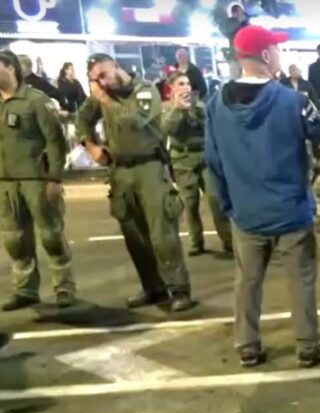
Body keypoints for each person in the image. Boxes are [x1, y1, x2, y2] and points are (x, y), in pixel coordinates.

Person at [204, 25, 320, 367]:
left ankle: (247, 345)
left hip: (245, 212)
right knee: (301, 279)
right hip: (291, 210)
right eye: (275, 49)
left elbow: (213, 162)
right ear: (264, 55)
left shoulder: (216, 104)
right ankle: (307, 344)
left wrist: (229, 205)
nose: (279, 54)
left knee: (247, 281)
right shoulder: (293, 100)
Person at [77, 53, 195, 312]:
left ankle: (179, 289)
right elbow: (82, 119)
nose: (101, 82)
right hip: (120, 170)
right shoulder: (101, 96)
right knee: (134, 235)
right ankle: (152, 287)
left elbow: (132, 120)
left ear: (116, 67)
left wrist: (105, 99)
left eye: (103, 75)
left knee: (162, 234)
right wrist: (91, 146)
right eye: (95, 79)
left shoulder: (144, 90)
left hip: (149, 167)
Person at [0, 51, 74, 311]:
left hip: (37, 180)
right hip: (6, 182)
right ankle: (25, 290)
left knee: (52, 236)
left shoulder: (36, 100)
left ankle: (64, 288)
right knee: (15, 239)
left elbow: (56, 141)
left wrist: (55, 177)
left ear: (10, 68)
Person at [161, 71, 232, 257]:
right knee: (189, 204)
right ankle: (196, 242)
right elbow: (167, 129)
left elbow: (208, 124)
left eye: (187, 84)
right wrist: (178, 109)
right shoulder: (166, 108)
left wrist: (192, 109)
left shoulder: (200, 104)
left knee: (215, 200)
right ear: (172, 88)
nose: (186, 87)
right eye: (181, 84)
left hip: (203, 157)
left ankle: (228, 240)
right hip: (182, 161)